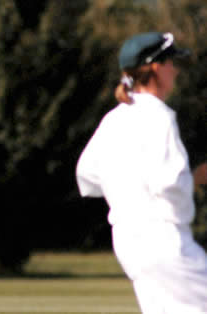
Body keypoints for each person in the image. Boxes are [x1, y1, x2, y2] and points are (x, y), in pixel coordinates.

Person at [76, 32, 207, 313]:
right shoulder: (159, 116)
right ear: (157, 68)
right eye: (172, 62)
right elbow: (170, 184)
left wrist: (128, 187)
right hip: (166, 242)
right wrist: (192, 178)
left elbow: (87, 175)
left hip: (129, 243)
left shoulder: (115, 118)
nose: (175, 70)